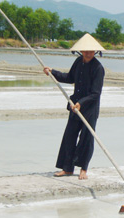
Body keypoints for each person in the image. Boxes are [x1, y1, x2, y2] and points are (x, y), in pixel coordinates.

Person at [43, 33, 105, 180]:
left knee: (86, 138)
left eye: (91, 51)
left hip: (89, 108)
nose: (88, 53)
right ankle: (67, 168)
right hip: (74, 106)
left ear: (95, 52)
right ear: (81, 51)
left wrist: (81, 103)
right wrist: (53, 72)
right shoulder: (78, 62)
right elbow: (70, 78)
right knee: (69, 136)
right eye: (86, 51)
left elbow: (95, 93)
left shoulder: (98, 68)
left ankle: (83, 169)